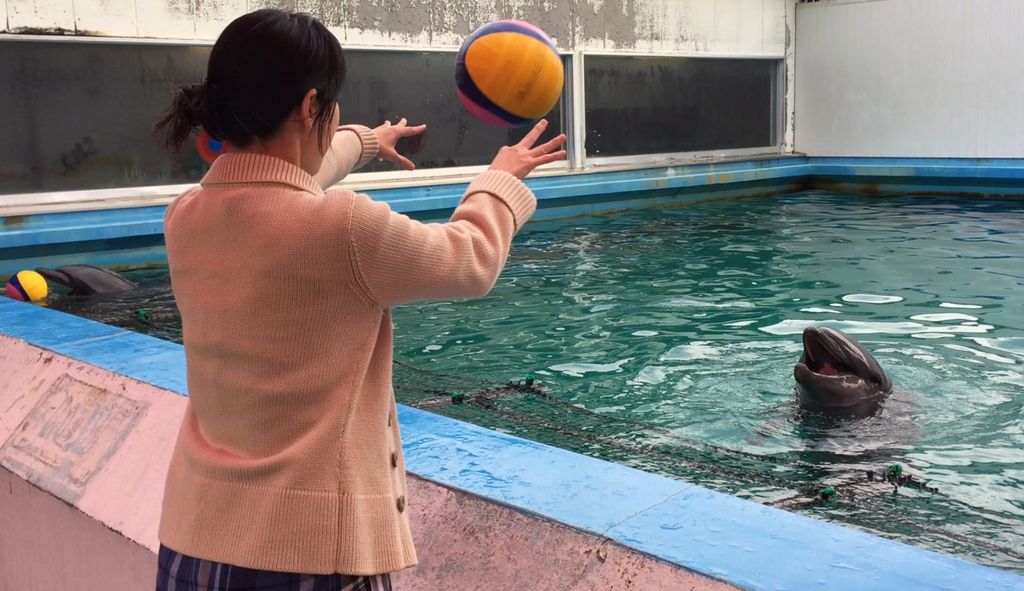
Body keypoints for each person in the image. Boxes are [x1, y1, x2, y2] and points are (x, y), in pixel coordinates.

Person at [153, 8, 566, 591]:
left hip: (193, 546)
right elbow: (469, 258)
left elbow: (277, 182)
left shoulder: (186, 217)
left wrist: (367, 141)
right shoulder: (342, 229)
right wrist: (500, 180)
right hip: (308, 557)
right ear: (309, 106)